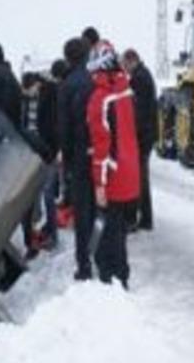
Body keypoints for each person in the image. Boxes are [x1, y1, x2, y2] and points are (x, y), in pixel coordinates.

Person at [86, 42, 141, 288]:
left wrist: (99, 183)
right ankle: (121, 275)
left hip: (113, 174)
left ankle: (112, 279)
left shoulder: (100, 99)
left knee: (109, 231)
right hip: (130, 170)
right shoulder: (126, 89)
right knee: (119, 230)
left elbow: (101, 146)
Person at [58, 37, 96, 280]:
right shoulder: (94, 81)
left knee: (81, 210)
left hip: (79, 155)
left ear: (67, 58)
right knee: (97, 207)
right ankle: (99, 252)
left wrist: (67, 160)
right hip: (98, 151)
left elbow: (64, 128)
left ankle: (84, 265)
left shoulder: (66, 86)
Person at [19, 70, 61, 258]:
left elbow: (55, 125)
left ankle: (53, 234)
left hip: (48, 152)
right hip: (33, 151)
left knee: (47, 194)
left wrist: (57, 150)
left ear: (37, 84)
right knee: (34, 194)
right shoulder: (26, 99)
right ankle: (38, 233)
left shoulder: (51, 95)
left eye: (31, 91)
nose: (30, 95)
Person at [121, 49, 158, 231]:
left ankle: (142, 219)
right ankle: (144, 218)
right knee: (141, 177)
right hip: (147, 133)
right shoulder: (143, 75)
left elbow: (139, 112)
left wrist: (131, 132)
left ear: (132, 61)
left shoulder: (139, 79)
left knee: (140, 178)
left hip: (143, 135)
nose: (125, 69)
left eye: (125, 65)